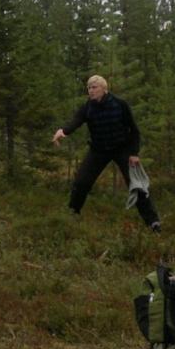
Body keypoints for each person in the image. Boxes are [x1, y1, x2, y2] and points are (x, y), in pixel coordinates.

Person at [53, 75, 161, 232]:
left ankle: (153, 222)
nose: (91, 90)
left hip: (122, 149)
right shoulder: (88, 107)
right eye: (89, 87)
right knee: (81, 182)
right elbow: (76, 121)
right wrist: (63, 131)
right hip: (99, 150)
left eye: (94, 87)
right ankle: (73, 213)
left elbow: (134, 130)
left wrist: (134, 153)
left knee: (137, 185)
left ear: (104, 88)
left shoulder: (119, 105)